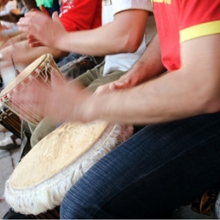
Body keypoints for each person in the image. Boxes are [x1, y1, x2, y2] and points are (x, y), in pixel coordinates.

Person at [10, 0, 220, 218]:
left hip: (208, 105)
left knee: (81, 208)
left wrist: (87, 106)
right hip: (188, 87)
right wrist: (138, 73)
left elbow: (202, 87)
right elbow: (174, 29)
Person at [17, 0, 157, 150]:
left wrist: (60, 39)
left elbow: (127, 37)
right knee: (33, 117)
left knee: (43, 135)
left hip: (132, 65)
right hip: (109, 62)